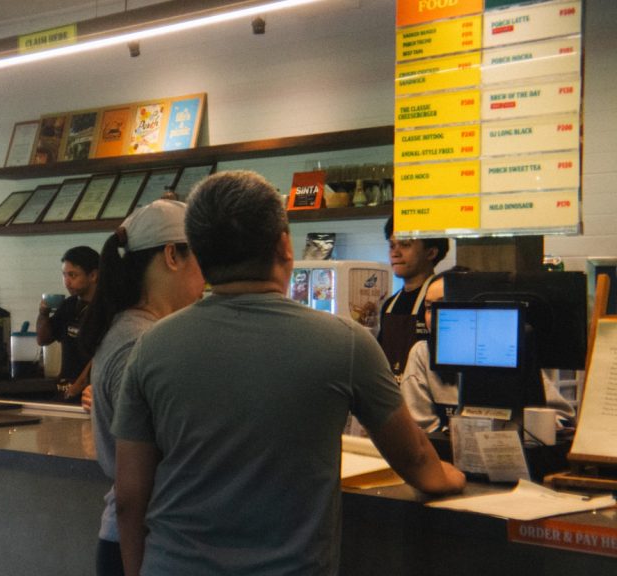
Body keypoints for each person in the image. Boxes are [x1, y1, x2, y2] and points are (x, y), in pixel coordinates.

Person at [112, 170, 465, 576]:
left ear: (201, 255)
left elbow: (129, 497)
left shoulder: (152, 346)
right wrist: (453, 478)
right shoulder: (345, 342)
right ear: (284, 245)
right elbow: (418, 460)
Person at [77, 199, 205, 576]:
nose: (206, 275)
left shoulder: (134, 330)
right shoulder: (141, 342)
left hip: (141, 541)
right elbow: (135, 490)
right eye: (200, 257)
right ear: (172, 255)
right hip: (141, 545)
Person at [401, 268, 575, 433]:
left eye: (444, 306)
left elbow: (563, 418)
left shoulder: (506, 350)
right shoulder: (422, 353)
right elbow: (420, 430)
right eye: (430, 308)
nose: (436, 317)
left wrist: (531, 427)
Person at [378, 217, 450, 378]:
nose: (395, 253)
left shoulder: (442, 301)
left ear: (431, 252)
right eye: (391, 246)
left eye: (405, 245)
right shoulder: (390, 304)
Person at [36, 245, 98, 400]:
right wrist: (43, 313)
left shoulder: (106, 309)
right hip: (65, 385)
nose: (67, 282)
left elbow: (101, 355)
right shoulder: (69, 305)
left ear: (93, 275)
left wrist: (79, 384)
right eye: (64, 275)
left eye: (73, 275)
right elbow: (43, 339)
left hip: (91, 391)